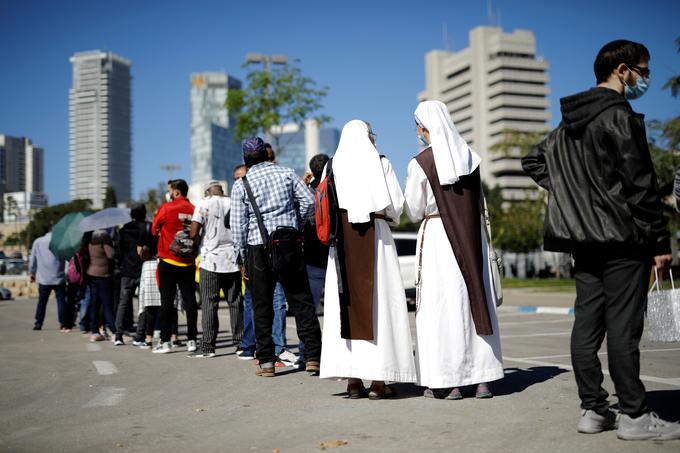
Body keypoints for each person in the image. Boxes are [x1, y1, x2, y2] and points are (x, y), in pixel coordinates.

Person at [522, 40, 680, 441]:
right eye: (644, 70)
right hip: (624, 239)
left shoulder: (566, 125)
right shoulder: (619, 117)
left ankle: (593, 410)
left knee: (587, 325)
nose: (646, 78)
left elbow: (533, 160)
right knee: (624, 328)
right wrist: (660, 242)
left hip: (582, 240)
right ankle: (634, 416)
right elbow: (641, 186)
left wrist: (575, 197)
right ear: (623, 70)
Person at [405, 100, 504, 400]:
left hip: (438, 237)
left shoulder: (420, 162)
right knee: (475, 299)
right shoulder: (470, 158)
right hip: (472, 237)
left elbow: (412, 210)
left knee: (443, 308)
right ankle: (483, 380)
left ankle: (451, 383)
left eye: (418, 126)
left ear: (424, 127)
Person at [319, 120, 417, 399]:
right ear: (368, 137)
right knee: (381, 305)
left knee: (346, 305)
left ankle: (352, 381)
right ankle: (378, 381)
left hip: (342, 242)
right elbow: (395, 205)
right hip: (376, 236)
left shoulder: (331, 166)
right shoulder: (381, 162)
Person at [231, 137, 322, 377]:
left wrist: (241, 258)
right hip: (287, 243)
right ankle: (313, 357)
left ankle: (267, 362)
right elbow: (309, 202)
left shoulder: (242, 184)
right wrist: (295, 225)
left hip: (257, 248)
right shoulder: (287, 174)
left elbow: (239, 226)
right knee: (300, 300)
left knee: (261, 305)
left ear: (246, 160)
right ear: (266, 155)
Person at [188, 180, 241, 358]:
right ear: (222, 191)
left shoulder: (203, 204)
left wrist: (197, 241)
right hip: (232, 259)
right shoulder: (233, 202)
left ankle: (208, 346)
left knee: (209, 303)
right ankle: (241, 344)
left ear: (207, 192)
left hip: (210, 260)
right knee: (235, 302)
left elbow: (194, 232)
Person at [151, 179, 198, 354]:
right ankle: (192, 340)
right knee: (190, 301)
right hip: (188, 262)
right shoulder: (194, 209)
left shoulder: (166, 208)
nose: (169, 193)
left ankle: (165, 342)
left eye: (170, 190)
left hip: (168, 261)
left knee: (166, 303)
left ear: (176, 192)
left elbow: (153, 229)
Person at [298, 153, 330, 364]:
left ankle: (308, 355)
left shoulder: (308, 194)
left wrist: (302, 183)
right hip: (334, 257)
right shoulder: (335, 190)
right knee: (339, 309)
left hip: (311, 259)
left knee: (308, 309)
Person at [114, 203, 148, 346]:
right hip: (143, 270)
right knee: (143, 303)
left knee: (123, 303)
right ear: (144, 214)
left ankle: (118, 336)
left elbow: (118, 253)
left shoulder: (123, 231)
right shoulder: (146, 229)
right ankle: (140, 336)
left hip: (127, 271)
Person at [29, 230, 68, 331]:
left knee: (42, 301)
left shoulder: (38, 241)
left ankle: (38, 323)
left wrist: (32, 272)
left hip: (44, 278)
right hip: (59, 277)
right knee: (61, 301)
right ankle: (63, 323)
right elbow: (67, 259)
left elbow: (33, 258)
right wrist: (67, 274)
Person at [82, 230, 116, 342]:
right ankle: (114, 331)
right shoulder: (103, 236)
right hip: (103, 274)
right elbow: (110, 254)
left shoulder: (88, 236)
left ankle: (95, 332)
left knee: (94, 304)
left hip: (91, 273)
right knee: (107, 305)